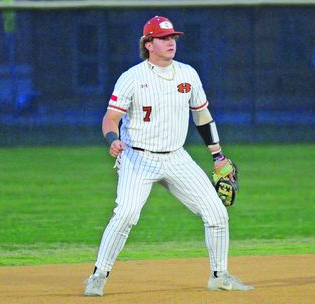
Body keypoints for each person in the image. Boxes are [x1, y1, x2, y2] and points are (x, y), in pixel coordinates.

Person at [84, 16, 254, 296]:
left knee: (217, 214)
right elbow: (111, 117)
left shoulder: (187, 74)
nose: (171, 42)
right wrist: (112, 139)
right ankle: (98, 276)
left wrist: (218, 155)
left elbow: (202, 115)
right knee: (126, 214)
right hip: (137, 158)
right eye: (163, 38)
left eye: (173, 37)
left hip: (176, 157)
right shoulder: (132, 78)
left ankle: (219, 276)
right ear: (148, 44)